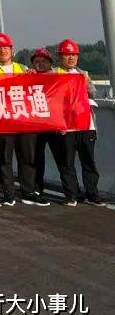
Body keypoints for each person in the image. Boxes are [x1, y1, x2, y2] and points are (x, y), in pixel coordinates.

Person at [0, 31, 41, 206]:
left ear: (12, 49)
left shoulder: (24, 69)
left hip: (23, 120)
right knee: (5, 158)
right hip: (2, 121)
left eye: (6, 48)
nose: (3, 51)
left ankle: (28, 191)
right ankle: (8, 193)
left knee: (28, 157)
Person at [56, 39, 103, 205]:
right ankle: (72, 194)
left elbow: (94, 95)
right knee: (67, 163)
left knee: (88, 161)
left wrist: (87, 83)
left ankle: (93, 193)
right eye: (67, 54)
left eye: (74, 55)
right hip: (66, 128)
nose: (71, 58)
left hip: (86, 125)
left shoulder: (83, 74)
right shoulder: (54, 75)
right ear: (60, 57)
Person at [29, 48, 71, 207]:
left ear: (50, 63)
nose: (40, 64)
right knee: (37, 159)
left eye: (44, 61)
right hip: (36, 126)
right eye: (37, 61)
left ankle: (70, 192)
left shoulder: (57, 78)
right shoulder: (28, 78)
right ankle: (37, 189)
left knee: (63, 160)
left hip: (54, 125)